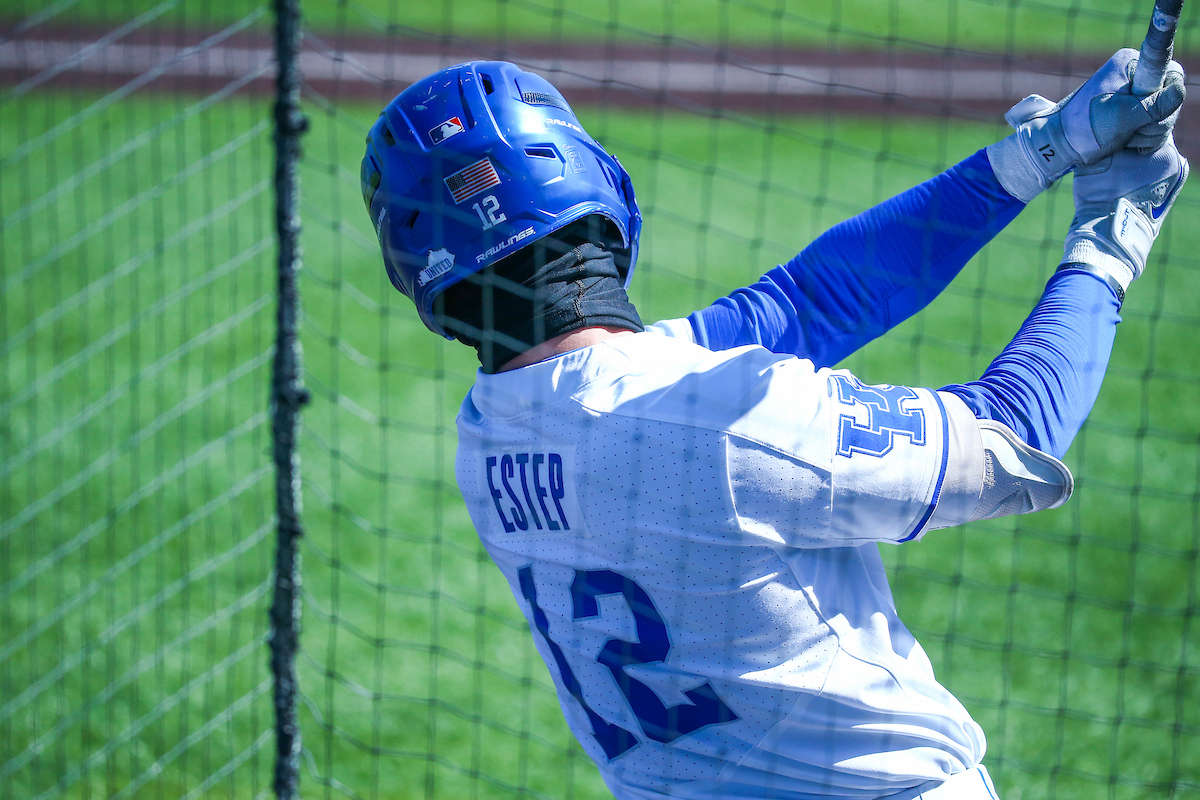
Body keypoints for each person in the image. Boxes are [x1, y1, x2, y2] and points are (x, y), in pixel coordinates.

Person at [361, 52, 1186, 800]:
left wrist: (1043, 150)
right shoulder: (723, 422)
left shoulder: (490, 434)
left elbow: (802, 303)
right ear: (589, 183)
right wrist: (1110, 239)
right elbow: (1013, 437)